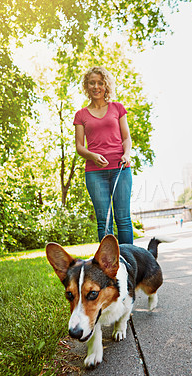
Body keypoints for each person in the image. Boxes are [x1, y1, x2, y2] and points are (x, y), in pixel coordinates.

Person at [73, 66, 133, 244]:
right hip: (94, 173)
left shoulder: (117, 108)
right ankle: (107, 267)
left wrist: (127, 154)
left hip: (120, 169)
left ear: (106, 85)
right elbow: (79, 146)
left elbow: (126, 137)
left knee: (123, 220)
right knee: (104, 223)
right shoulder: (81, 115)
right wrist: (92, 156)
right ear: (87, 86)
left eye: (100, 82)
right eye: (92, 83)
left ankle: (128, 263)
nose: (96, 86)